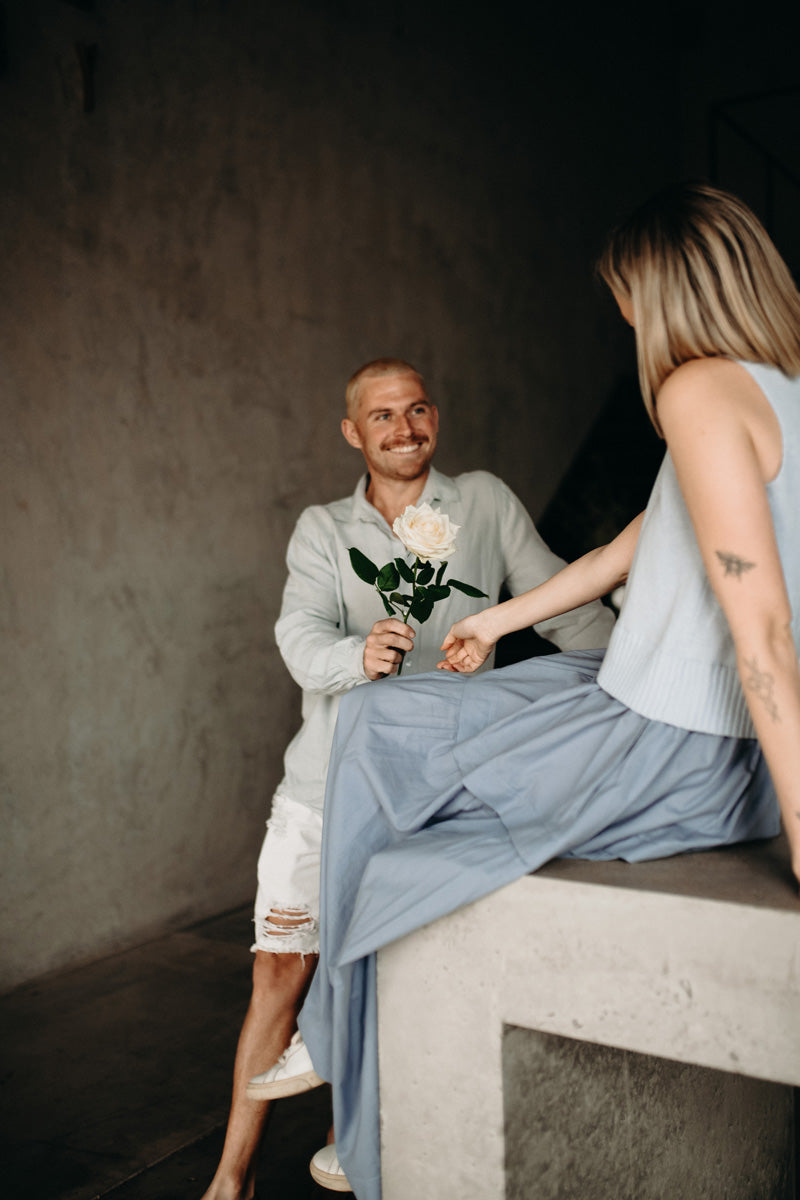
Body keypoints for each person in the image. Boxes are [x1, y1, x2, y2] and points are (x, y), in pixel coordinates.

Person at [278, 183, 800, 1199]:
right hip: (642, 702)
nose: (621, 318)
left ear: (667, 290)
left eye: (626, 295)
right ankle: (338, 1045)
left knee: (387, 777)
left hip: (666, 737)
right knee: (387, 721)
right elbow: (623, 551)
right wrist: (492, 621)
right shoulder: (775, 388)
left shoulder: (695, 389)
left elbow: (763, 637)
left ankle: (348, 1068)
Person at [200, 358, 615, 1200]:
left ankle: (351, 1153)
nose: (405, 427)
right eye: (383, 414)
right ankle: (230, 1179)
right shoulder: (324, 529)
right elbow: (298, 636)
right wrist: (358, 655)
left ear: (437, 419)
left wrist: (632, 675)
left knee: (390, 978)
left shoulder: (485, 503)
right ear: (355, 433)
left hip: (438, 792)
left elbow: (567, 607)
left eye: (418, 408)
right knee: (281, 972)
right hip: (325, 789)